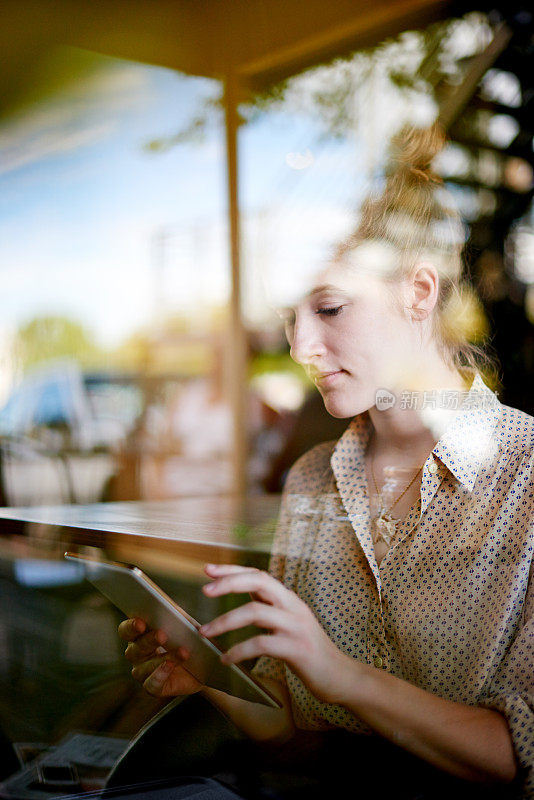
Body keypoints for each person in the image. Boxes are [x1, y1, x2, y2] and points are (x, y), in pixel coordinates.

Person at [119, 124, 533, 799]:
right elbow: (292, 726)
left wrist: (342, 674)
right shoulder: (315, 474)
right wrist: (209, 681)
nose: (303, 346)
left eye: (331, 308)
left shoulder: (526, 474)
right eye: (290, 317)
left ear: (419, 293)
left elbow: (518, 756)